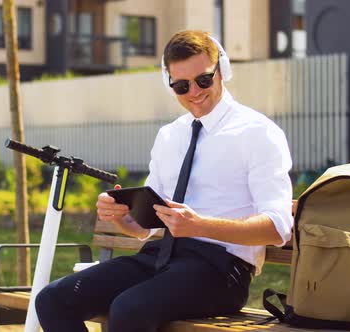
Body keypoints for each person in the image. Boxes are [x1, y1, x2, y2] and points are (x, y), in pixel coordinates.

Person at [35, 30, 293, 332]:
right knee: (53, 299)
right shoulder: (170, 136)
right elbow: (144, 227)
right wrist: (121, 216)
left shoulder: (259, 133)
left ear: (222, 70)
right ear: (170, 84)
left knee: (129, 308)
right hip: (160, 258)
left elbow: (278, 228)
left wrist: (200, 226)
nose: (194, 91)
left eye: (204, 80)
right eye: (181, 86)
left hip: (221, 270)